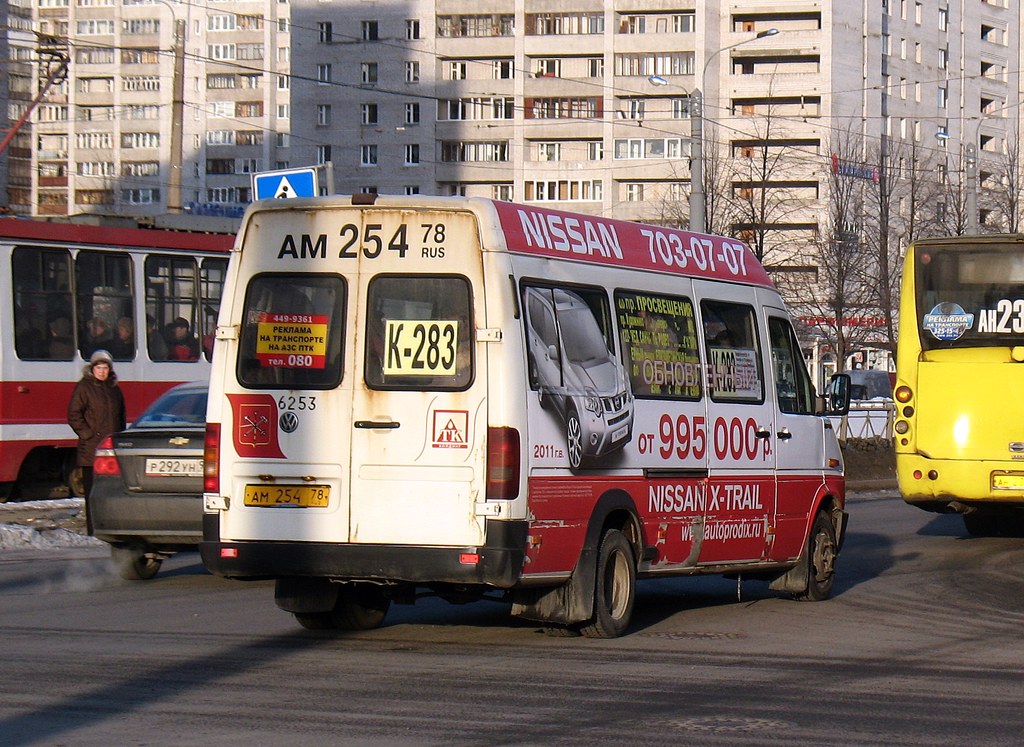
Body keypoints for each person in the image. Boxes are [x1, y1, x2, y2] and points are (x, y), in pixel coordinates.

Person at [67, 349, 126, 498]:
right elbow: (74, 414)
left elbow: (121, 416)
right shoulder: (84, 387)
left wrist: (119, 437)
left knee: (110, 490)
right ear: (92, 369)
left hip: (110, 445)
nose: (102, 372)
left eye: (105, 368)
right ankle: (91, 521)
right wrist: (87, 434)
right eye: (98, 368)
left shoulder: (114, 389)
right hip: (91, 447)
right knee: (92, 491)